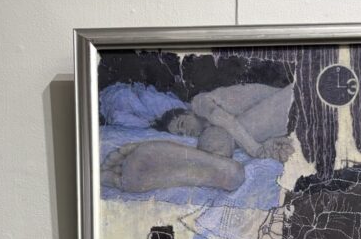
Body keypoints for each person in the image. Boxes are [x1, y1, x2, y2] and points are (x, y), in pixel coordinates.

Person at [102, 82, 295, 193]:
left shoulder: (199, 103)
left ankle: (218, 168)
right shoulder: (210, 131)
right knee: (216, 143)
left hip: (289, 101)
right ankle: (224, 170)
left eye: (182, 124)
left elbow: (224, 119)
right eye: (181, 134)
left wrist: (255, 148)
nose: (187, 132)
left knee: (217, 134)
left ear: (187, 112)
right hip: (286, 119)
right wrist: (266, 145)